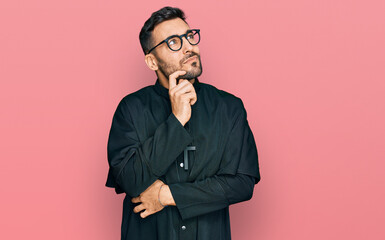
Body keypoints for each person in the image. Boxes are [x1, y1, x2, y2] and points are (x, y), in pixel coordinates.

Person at [105, 6, 261, 240]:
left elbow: (242, 183)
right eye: (173, 42)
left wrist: (167, 195)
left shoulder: (229, 108)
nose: (189, 47)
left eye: (189, 37)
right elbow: (130, 179)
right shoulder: (131, 109)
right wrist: (176, 121)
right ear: (152, 61)